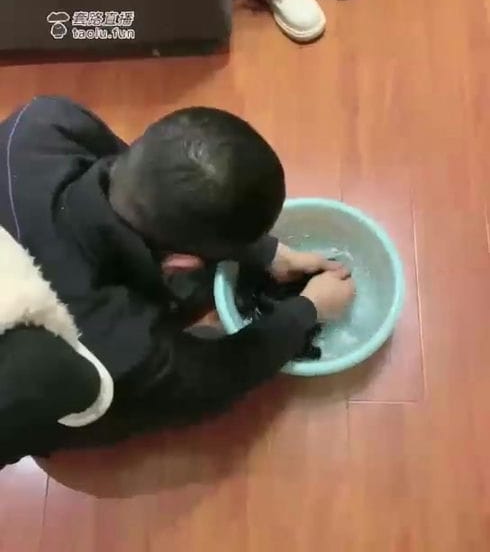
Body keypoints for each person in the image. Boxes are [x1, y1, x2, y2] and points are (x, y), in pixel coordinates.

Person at [0, 97, 354, 460]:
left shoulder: (42, 122)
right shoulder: (115, 348)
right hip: (18, 394)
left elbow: (151, 188)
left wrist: (269, 253)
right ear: (182, 264)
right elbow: (212, 381)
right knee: (121, 406)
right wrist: (306, 311)